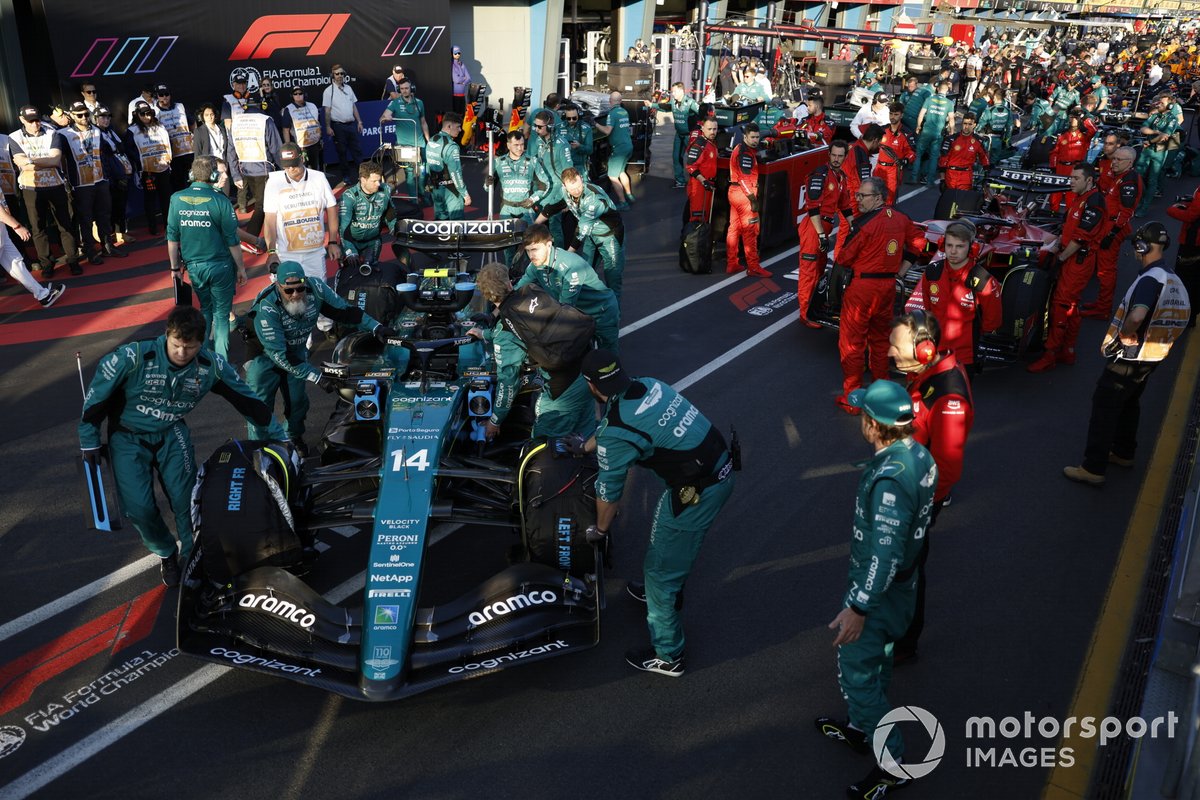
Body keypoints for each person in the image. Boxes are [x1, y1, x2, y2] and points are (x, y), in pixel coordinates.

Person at [79, 306, 281, 586]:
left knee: (187, 499)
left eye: (191, 347)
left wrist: (279, 436)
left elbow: (247, 401)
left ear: (202, 343)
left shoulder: (211, 365)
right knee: (139, 508)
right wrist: (89, 442)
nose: (182, 353)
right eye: (176, 345)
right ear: (167, 335)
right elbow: (95, 403)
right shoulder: (132, 357)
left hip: (172, 433)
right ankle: (165, 552)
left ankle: (193, 557)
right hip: (127, 437)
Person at [576, 348, 735, 677]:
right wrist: (584, 445)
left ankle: (668, 655)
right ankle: (655, 593)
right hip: (720, 468)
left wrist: (600, 531)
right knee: (665, 553)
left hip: (696, 493)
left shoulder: (615, 431)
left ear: (591, 385)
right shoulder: (649, 385)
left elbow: (609, 492)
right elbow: (614, 427)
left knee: (662, 573)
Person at [815, 379, 936, 799]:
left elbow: (884, 555)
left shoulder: (889, 480)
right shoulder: (919, 454)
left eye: (863, 416)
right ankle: (860, 728)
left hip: (878, 594)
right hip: (903, 587)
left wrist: (859, 607)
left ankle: (894, 764)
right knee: (880, 659)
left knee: (858, 677)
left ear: (872, 426)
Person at [1063, 222, 1191, 486]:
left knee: (1105, 404)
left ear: (1141, 246)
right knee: (1130, 401)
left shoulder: (1149, 280)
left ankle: (1093, 467)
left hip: (1131, 355)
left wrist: (1125, 335)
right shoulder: (1171, 278)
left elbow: (1137, 315)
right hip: (1153, 355)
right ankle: (1123, 452)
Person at [886, 312, 973, 663]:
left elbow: (947, 469)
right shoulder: (926, 373)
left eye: (896, 345)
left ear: (924, 350)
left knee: (908, 571)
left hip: (916, 502)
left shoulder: (950, 398)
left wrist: (919, 509)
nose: (890, 352)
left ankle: (905, 643)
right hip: (908, 490)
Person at [243, 261, 392, 452]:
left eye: (300, 288)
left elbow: (345, 311)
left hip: (295, 350)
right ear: (278, 286)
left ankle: (293, 438)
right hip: (263, 357)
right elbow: (279, 355)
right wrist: (318, 377)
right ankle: (259, 448)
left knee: (298, 402)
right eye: (289, 291)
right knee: (260, 407)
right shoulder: (267, 307)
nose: (296, 295)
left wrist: (376, 327)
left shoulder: (316, 288)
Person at [470, 262, 597, 439]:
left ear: (488, 297)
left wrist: (495, 421)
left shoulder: (506, 326)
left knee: (544, 443)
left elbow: (508, 383)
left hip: (565, 385)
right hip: (590, 366)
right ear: (509, 284)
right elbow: (531, 329)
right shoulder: (530, 290)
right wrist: (486, 334)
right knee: (586, 438)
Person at [832, 177, 921, 413]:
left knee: (852, 343)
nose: (858, 199)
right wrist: (901, 270)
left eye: (863, 196)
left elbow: (843, 258)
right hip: (888, 287)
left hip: (863, 289)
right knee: (880, 341)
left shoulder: (865, 224)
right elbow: (919, 242)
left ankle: (853, 397)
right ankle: (882, 389)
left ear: (879, 197)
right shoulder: (902, 218)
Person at [1029, 164, 1110, 373]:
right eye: (1071, 178)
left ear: (1089, 180)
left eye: (1075, 178)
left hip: (1078, 261)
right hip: (1072, 257)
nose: (1071, 181)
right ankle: (1068, 350)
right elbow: (1068, 229)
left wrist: (1062, 257)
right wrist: (1055, 247)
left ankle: (1050, 354)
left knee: (1061, 306)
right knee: (1072, 307)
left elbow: (1082, 236)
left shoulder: (1094, 201)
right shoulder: (1080, 197)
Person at [167, 156, 246, 358]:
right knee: (221, 315)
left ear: (191, 175)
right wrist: (242, 268)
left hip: (194, 267)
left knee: (205, 310)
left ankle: (203, 358)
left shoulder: (176, 198)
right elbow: (232, 239)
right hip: (221, 266)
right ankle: (221, 364)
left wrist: (175, 269)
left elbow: (172, 239)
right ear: (213, 175)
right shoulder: (220, 200)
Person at [905, 221, 1002, 372]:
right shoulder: (932, 272)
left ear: (971, 248)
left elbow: (992, 321)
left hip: (964, 356)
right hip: (934, 352)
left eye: (959, 246)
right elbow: (928, 307)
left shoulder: (983, 279)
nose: (953, 251)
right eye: (949, 245)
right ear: (943, 245)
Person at [514, 224, 619, 351]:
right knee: (581, 359)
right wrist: (496, 311)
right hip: (579, 314)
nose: (531, 256)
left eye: (535, 249)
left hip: (601, 312)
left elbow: (566, 308)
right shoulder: (534, 266)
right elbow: (516, 292)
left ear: (548, 244)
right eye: (528, 250)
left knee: (608, 360)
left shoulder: (570, 265)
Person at [10, 104, 81, 276]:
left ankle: (73, 260)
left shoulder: (52, 133)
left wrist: (32, 161)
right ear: (21, 120)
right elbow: (21, 165)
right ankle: (47, 264)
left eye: (37, 120)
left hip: (55, 185)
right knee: (38, 228)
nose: (35, 124)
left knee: (65, 224)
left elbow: (55, 160)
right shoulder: (14, 137)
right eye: (30, 121)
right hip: (31, 187)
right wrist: (43, 161)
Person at [537, 168, 626, 300]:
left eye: (579, 186)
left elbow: (580, 233)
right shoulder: (564, 191)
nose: (577, 191)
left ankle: (613, 316)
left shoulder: (594, 199)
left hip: (610, 237)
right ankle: (588, 310)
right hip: (592, 235)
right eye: (572, 189)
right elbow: (551, 208)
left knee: (612, 280)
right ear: (564, 186)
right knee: (582, 273)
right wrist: (533, 226)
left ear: (582, 179)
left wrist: (564, 258)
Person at [262, 142, 339, 289]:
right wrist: (271, 251)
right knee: (286, 293)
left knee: (319, 292)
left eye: (294, 164)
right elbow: (270, 220)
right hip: (286, 253)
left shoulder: (319, 178)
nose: (290, 169)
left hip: (315, 253)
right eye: (286, 165)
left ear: (302, 159)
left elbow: (331, 208)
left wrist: (333, 241)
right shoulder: (273, 182)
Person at [1082, 146, 1143, 320]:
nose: (1114, 162)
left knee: (1106, 271)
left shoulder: (1129, 181)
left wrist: (1112, 233)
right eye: (1113, 158)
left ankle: (1103, 309)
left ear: (1129, 162)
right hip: (1107, 226)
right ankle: (1101, 303)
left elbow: (1127, 211)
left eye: (1118, 160)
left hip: (1113, 229)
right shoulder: (1119, 175)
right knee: (1102, 268)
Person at [797, 140, 852, 327]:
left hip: (824, 228)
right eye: (834, 155)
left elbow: (845, 206)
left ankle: (814, 306)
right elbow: (812, 208)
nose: (836, 159)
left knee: (819, 270)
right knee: (809, 271)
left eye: (840, 156)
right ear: (829, 154)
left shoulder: (841, 177)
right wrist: (821, 234)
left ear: (845, 156)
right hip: (814, 227)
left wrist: (857, 227)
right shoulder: (820, 174)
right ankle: (805, 313)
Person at [227, 104, 283, 243]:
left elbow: (231, 151)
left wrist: (235, 175)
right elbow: (276, 147)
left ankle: (263, 236)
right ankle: (250, 239)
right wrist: (284, 168)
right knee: (262, 206)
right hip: (263, 169)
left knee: (263, 205)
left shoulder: (236, 123)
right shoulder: (265, 120)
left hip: (246, 170)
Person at [486, 130, 544, 264]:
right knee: (508, 248)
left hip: (527, 210)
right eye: (516, 145)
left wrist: (532, 199)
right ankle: (510, 277)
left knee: (532, 245)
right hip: (507, 210)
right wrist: (487, 182)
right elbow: (487, 189)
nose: (520, 148)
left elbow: (544, 186)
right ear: (508, 145)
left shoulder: (533, 161)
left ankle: (531, 277)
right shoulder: (498, 162)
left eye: (522, 144)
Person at [0, 192, 64, 307]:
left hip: (2, 231)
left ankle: (43, 295)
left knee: (16, 263)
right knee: (16, 263)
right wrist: (17, 226)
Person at [124, 102, 174, 237]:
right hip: (147, 171)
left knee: (166, 197)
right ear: (137, 115)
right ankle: (152, 226)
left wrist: (168, 158)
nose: (146, 116)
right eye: (143, 114)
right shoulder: (132, 130)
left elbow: (167, 144)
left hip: (163, 167)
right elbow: (128, 149)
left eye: (149, 113)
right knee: (150, 199)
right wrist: (140, 161)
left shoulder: (160, 126)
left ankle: (169, 225)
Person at [726, 123, 769, 277]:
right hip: (744, 195)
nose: (756, 140)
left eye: (757, 137)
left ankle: (732, 263)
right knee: (750, 231)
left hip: (734, 192)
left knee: (734, 228)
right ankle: (753, 266)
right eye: (753, 137)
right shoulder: (745, 153)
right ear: (745, 137)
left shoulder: (740, 147)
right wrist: (752, 199)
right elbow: (744, 178)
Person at [835, 125, 881, 257]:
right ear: (874, 140)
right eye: (879, 142)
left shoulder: (855, 148)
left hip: (846, 195)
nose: (879, 146)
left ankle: (842, 260)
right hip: (852, 200)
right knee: (847, 232)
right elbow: (864, 183)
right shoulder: (860, 154)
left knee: (848, 231)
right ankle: (839, 262)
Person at [339, 162, 395, 268]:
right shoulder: (349, 196)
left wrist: (395, 228)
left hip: (373, 241)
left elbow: (390, 214)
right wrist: (350, 251)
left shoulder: (385, 190)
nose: (378, 184)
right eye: (374, 181)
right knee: (350, 274)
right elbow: (343, 227)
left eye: (379, 180)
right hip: (352, 241)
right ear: (363, 180)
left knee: (370, 272)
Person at [530, 109, 573, 246]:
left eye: (539, 126)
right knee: (541, 230)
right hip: (542, 191)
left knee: (555, 228)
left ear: (549, 127)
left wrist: (567, 197)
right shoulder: (538, 141)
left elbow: (569, 172)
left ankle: (558, 258)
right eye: (534, 126)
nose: (536, 129)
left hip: (557, 192)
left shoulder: (562, 144)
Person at [94, 106, 135, 248]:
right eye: (102, 117)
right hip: (107, 175)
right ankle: (108, 237)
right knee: (108, 207)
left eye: (108, 117)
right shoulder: (94, 133)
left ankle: (121, 233)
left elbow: (120, 148)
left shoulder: (111, 131)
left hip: (121, 173)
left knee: (121, 205)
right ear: (95, 118)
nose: (106, 119)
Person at [647, 83, 699, 188]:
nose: (673, 94)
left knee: (694, 159)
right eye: (672, 92)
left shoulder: (690, 103)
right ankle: (680, 181)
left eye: (674, 91)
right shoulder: (673, 102)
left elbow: (702, 113)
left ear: (681, 91)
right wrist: (651, 105)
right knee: (676, 157)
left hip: (690, 136)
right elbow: (665, 107)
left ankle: (698, 182)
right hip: (679, 135)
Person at [321, 64, 363, 187]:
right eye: (337, 74)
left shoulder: (349, 88)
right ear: (332, 76)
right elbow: (327, 110)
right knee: (342, 152)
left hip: (351, 125)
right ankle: (346, 176)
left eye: (341, 73)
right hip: (338, 126)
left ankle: (362, 176)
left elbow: (353, 106)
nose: (340, 76)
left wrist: (359, 121)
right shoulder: (328, 91)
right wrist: (328, 127)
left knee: (357, 151)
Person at [1137, 95, 1179, 217]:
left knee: (1152, 180)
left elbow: (1164, 136)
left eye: (1162, 103)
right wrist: (1155, 131)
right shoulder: (1155, 116)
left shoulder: (1172, 119)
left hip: (1159, 152)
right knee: (1138, 176)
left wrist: (1150, 141)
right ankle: (1139, 201)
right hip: (1147, 150)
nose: (1159, 104)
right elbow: (1143, 128)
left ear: (1170, 106)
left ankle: (1144, 207)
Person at [425, 111, 470, 219]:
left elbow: (428, 165)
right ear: (449, 126)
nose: (460, 130)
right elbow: (456, 173)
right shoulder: (451, 146)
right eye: (458, 127)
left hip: (435, 189)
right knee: (457, 225)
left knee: (440, 225)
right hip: (450, 191)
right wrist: (465, 194)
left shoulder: (432, 140)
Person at [594, 91, 634, 209]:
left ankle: (623, 202)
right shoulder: (624, 111)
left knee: (612, 176)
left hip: (619, 149)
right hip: (628, 146)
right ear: (620, 101)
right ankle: (629, 194)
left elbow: (607, 131)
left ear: (610, 101)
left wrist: (595, 124)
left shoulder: (612, 114)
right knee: (621, 172)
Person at [1167, 187, 1200, 326]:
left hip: (1193, 244)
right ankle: (1190, 316)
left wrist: (1172, 209)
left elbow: (1191, 216)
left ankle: (1184, 316)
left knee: (1186, 280)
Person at [152, 84, 194, 193]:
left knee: (193, 179)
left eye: (166, 94)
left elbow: (192, 123)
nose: (164, 97)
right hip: (172, 153)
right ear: (157, 96)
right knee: (177, 182)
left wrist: (193, 137)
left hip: (188, 150)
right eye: (161, 95)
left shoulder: (180, 106)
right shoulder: (154, 112)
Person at [1048, 113, 1092, 212]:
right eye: (1071, 116)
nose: (1073, 119)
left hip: (1075, 169)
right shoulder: (1061, 134)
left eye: (1075, 117)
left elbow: (1093, 130)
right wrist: (1054, 166)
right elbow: (1054, 152)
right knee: (1055, 194)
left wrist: (1085, 118)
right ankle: (1052, 215)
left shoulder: (1084, 136)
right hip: (1060, 167)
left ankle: (1069, 218)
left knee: (1072, 196)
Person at [913, 80, 954, 185]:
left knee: (918, 155)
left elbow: (921, 114)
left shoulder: (929, 99)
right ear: (947, 90)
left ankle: (913, 178)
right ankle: (930, 181)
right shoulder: (949, 103)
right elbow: (951, 120)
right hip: (938, 134)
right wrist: (952, 132)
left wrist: (918, 126)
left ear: (937, 89)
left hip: (926, 131)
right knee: (934, 157)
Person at [937, 112, 989, 192]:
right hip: (950, 175)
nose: (966, 127)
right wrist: (942, 180)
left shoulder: (978, 141)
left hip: (966, 176)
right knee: (948, 202)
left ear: (974, 125)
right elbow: (943, 160)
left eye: (970, 124)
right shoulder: (951, 139)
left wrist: (987, 174)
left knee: (961, 202)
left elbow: (984, 158)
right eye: (965, 123)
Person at [875, 103, 915, 205]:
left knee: (888, 201)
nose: (892, 117)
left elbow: (912, 153)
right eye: (891, 114)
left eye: (896, 114)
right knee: (874, 198)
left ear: (901, 115)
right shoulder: (882, 130)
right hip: (878, 169)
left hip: (893, 171)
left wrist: (905, 160)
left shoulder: (906, 133)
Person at [684, 118, 718, 227]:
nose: (712, 132)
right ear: (702, 128)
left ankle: (701, 241)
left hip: (708, 186)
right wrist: (703, 181)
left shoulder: (711, 143)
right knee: (697, 217)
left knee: (705, 217)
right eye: (709, 129)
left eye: (715, 129)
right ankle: (691, 242)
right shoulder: (699, 145)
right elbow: (690, 166)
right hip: (699, 187)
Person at [281, 86, 323, 172]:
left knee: (315, 170)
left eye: (300, 93)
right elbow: (286, 130)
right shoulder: (289, 109)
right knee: (301, 170)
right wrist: (289, 147)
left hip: (314, 144)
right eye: (295, 94)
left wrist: (321, 139)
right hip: (299, 147)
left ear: (305, 95)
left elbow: (318, 124)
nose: (298, 95)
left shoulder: (312, 106)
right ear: (292, 96)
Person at [559, 103, 594, 178]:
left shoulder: (586, 128)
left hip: (580, 167)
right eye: (569, 118)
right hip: (563, 166)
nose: (571, 120)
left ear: (579, 116)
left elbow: (590, 150)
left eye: (574, 118)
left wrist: (579, 146)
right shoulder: (559, 127)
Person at [451, 45, 471, 114]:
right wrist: (464, 78)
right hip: (455, 95)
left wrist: (463, 82)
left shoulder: (462, 64)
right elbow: (456, 79)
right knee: (456, 114)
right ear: (452, 54)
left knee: (462, 113)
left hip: (462, 94)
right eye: (455, 53)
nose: (457, 55)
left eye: (459, 53)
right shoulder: (452, 65)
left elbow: (469, 78)